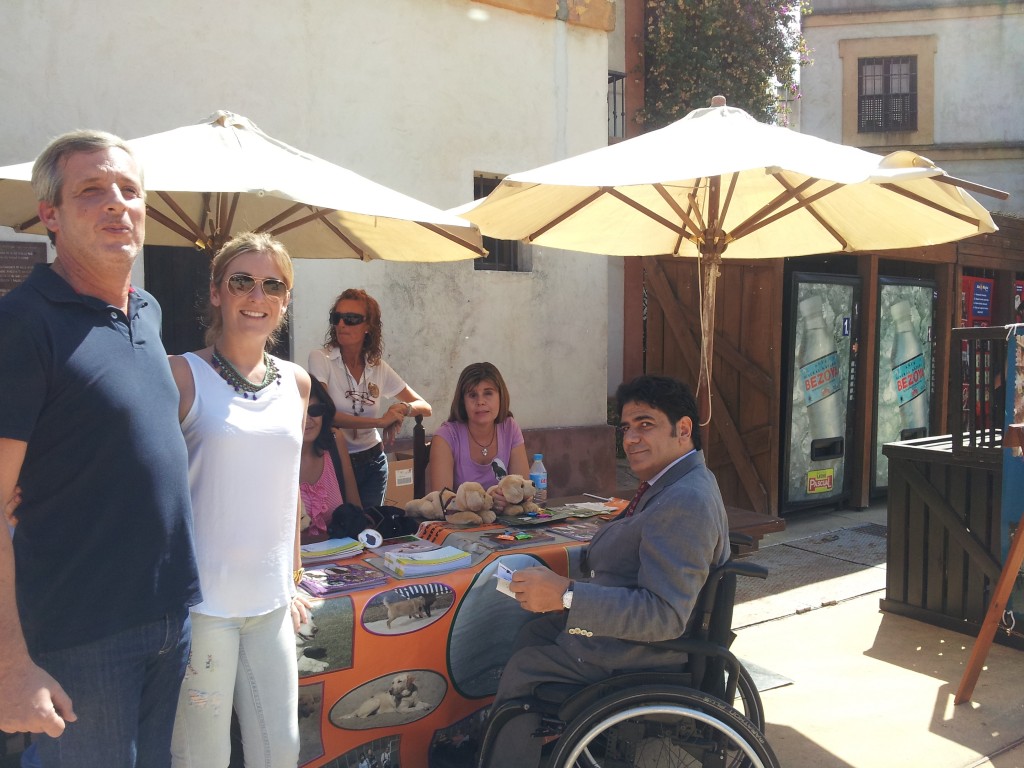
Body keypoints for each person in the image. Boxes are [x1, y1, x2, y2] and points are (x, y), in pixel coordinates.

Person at [0, 130, 201, 766]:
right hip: (82, 639)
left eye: (130, 190)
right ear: (50, 217)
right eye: (92, 191)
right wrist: (9, 667)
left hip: (172, 619)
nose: (117, 203)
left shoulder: (148, 311)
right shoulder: (23, 323)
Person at [485, 375, 730, 768]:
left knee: (524, 668)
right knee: (532, 630)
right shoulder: (672, 482)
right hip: (629, 638)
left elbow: (663, 615)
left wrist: (566, 594)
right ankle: (527, 741)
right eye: (627, 428)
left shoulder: (686, 501)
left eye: (645, 425)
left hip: (643, 653)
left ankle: (509, 749)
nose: (631, 439)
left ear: (683, 429)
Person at [168, 232, 310, 767]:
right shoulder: (181, 375)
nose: (257, 295)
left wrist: (294, 576)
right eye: (242, 281)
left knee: (280, 754)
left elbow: (287, 484)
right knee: (201, 759)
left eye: (272, 284)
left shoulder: (297, 384)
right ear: (216, 293)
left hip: (271, 607)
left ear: (286, 301)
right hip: (203, 608)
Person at [308, 289, 431, 507]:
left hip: (373, 461)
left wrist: (401, 408)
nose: (342, 324)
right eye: (336, 318)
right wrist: (379, 422)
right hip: (335, 460)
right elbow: (327, 414)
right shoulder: (322, 359)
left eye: (352, 319)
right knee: (344, 531)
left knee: (371, 531)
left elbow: (424, 406)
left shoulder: (377, 367)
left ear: (368, 327)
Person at [428, 362, 530, 509]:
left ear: (501, 397)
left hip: (505, 526)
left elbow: (524, 490)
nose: (480, 402)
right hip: (460, 525)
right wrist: (488, 501)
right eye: (472, 395)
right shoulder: (446, 436)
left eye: (488, 393)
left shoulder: (510, 428)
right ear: (462, 402)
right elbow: (442, 501)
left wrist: (509, 499)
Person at [300, 376, 362, 542]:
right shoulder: (272, 459)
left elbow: (355, 511)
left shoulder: (335, 441)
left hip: (340, 559)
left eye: (314, 410)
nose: (308, 419)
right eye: (298, 411)